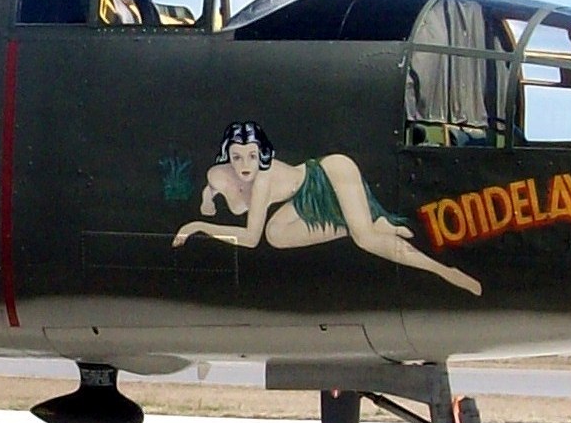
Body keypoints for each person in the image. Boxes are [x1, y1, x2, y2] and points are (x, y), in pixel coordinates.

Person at [175, 121, 483, 295]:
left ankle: (445, 271)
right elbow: (211, 190)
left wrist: (198, 227)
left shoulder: (263, 181)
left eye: (252, 157)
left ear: (263, 156)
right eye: (237, 157)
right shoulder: (217, 175)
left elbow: (250, 238)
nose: (245, 165)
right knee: (277, 235)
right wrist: (206, 200)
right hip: (301, 198)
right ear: (226, 157)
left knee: (365, 240)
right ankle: (364, 221)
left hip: (329, 175)